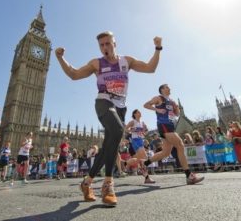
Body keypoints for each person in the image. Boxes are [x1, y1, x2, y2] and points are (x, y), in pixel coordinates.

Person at [55, 31, 162, 206]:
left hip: (120, 107)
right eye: (101, 45)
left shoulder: (127, 61)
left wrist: (158, 48)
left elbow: (151, 68)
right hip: (103, 102)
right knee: (119, 130)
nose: (105, 48)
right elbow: (74, 74)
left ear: (115, 43)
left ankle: (87, 182)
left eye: (108, 44)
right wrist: (60, 58)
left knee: (107, 149)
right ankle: (108, 184)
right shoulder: (96, 63)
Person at [143, 84, 204, 185]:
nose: (169, 88)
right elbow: (146, 105)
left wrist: (176, 109)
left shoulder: (172, 101)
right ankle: (189, 175)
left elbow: (176, 114)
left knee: (166, 153)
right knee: (180, 144)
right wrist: (157, 109)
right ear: (162, 90)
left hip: (171, 126)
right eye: (167, 87)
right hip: (163, 125)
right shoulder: (158, 98)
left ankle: (144, 164)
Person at [125, 109, 155, 183]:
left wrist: (144, 131)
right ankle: (147, 177)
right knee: (145, 158)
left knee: (140, 159)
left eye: (140, 112)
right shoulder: (133, 121)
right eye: (138, 112)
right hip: (135, 140)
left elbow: (146, 131)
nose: (140, 113)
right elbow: (125, 129)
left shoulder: (142, 122)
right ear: (135, 114)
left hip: (141, 140)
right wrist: (131, 130)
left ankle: (126, 163)